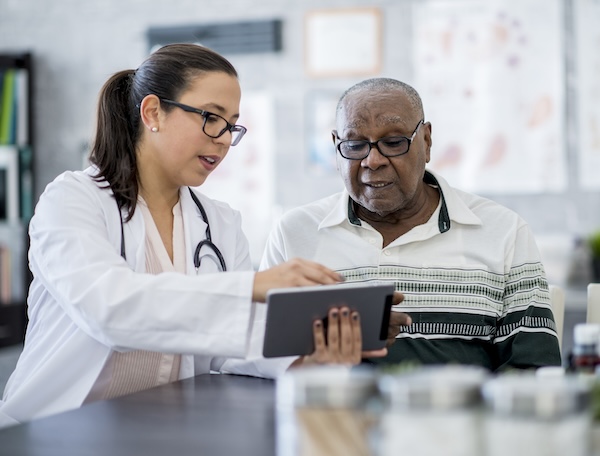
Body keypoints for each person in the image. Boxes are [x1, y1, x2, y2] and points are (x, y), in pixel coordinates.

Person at [0, 45, 410, 428]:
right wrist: (251, 285)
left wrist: (312, 348)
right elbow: (110, 310)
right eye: (211, 118)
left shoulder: (219, 222)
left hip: (158, 431)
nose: (223, 141)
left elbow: (231, 342)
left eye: (232, 126)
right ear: (153, 113)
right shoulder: (73, 200)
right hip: (53, 428)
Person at [260, 77, 562, 372]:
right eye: (354, 145)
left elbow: (532, 371)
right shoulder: (294, 233)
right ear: (336, 146)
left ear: (427, 141)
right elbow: (258, 359)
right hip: (332, 418)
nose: (372, 160)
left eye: (393, 143)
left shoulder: (503, 231)